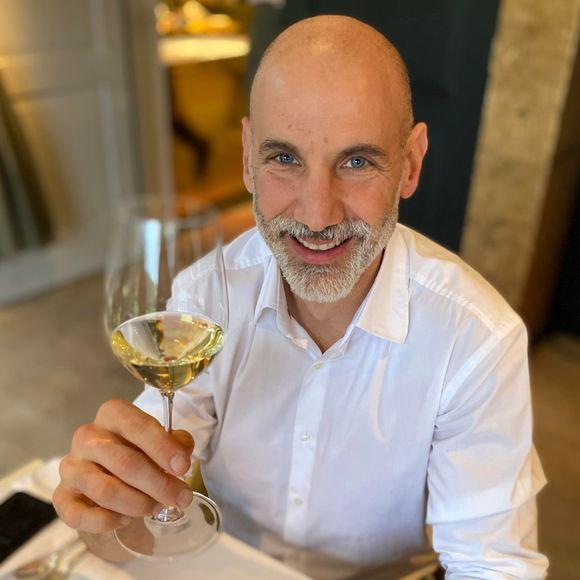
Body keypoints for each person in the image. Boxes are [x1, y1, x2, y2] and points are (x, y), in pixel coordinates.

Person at [53, 15, 549, 579]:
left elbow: (493, 566)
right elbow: (138, 525)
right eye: (285, 159)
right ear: (248, 157)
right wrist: (108, 506)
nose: (316, 216)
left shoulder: (476, 339)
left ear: (410, 164)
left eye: (357, 162)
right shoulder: (206, 295)